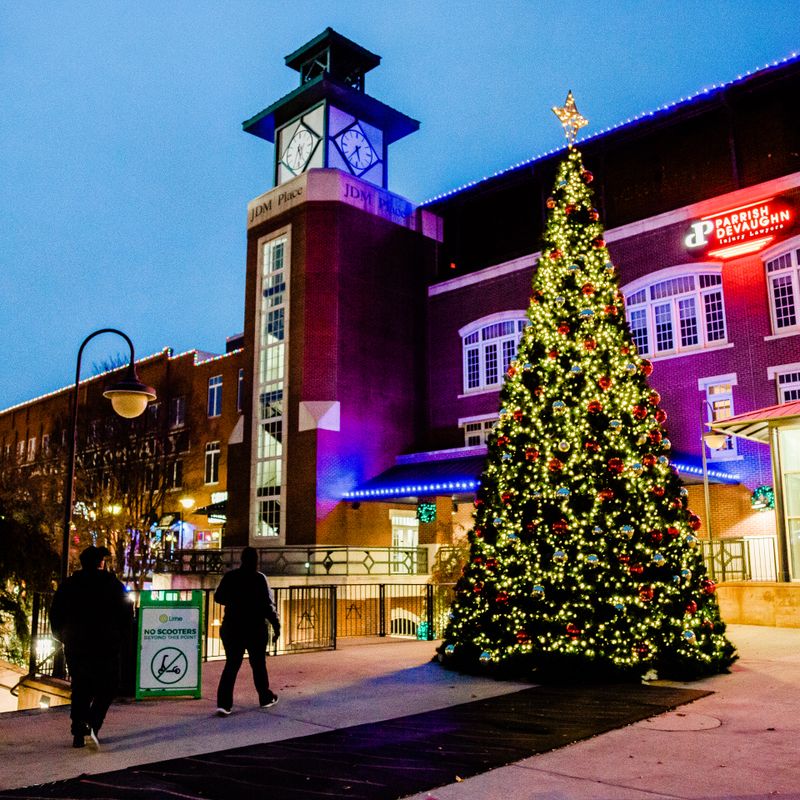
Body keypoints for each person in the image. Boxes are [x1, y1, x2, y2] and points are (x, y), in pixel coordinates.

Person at [49, 545, 132, 748]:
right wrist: (120, 635)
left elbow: (56, 612)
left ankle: (78, 731)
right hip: (105, 642)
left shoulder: (69, 584)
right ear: (100, 563)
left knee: (81, 686)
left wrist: (62, 636)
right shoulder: (112, 584)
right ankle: (93, 724)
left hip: (76, 642)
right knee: (109, 685)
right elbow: (126, 612)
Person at [214, 546, 281, 715]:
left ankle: (224, 703)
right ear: (256, 561)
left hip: (233, 627)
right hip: (255, 628)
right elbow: (268, 606)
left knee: (231, 665)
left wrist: (235, 600)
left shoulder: (230, 577)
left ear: (241, 559)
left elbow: (218, 597)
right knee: (258, 664)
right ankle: (264, 697)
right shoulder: (259, 579)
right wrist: (276, 625)